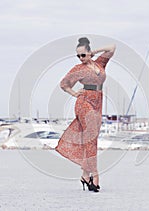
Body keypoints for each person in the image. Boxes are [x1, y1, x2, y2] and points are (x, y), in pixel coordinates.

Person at [55, 37, 116, 192]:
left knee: (92, 139)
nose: (80, 58)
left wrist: (95, 52)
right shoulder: (78, 69)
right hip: (84, 103)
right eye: (78, 56)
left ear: (89, 53)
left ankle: (84, 175)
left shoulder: (100, 63)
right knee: (89, 139)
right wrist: (74, 93)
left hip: (98, 102)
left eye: (83, 55)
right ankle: (95, 175)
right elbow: (64, 84)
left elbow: (112, 47)